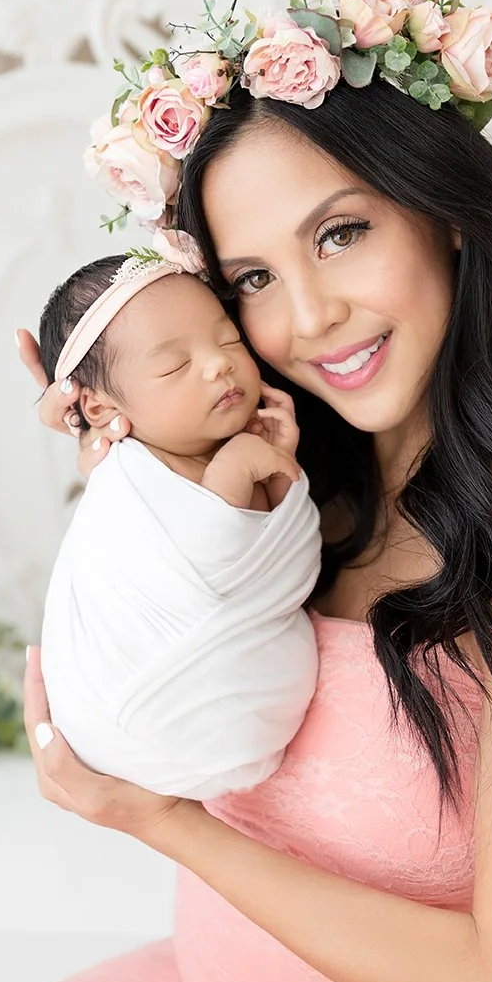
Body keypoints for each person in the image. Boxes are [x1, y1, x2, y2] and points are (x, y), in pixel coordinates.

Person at [11, 0, 492, 982]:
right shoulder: (294, 481)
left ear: (449, 214)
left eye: (340, 234)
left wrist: (166, 825)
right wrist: (133, 468)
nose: (307, 317)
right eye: (251, 278)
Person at [33, 238, 321, 801]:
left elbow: (285, 554)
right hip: (142, 720)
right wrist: (242, 469)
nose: (219, 364)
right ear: (100, 409)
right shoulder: (129, 479)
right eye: (175, 364)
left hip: (233, 715)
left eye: (228, 339)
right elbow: (211, 546)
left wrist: (281, 467)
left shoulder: (209, 453)